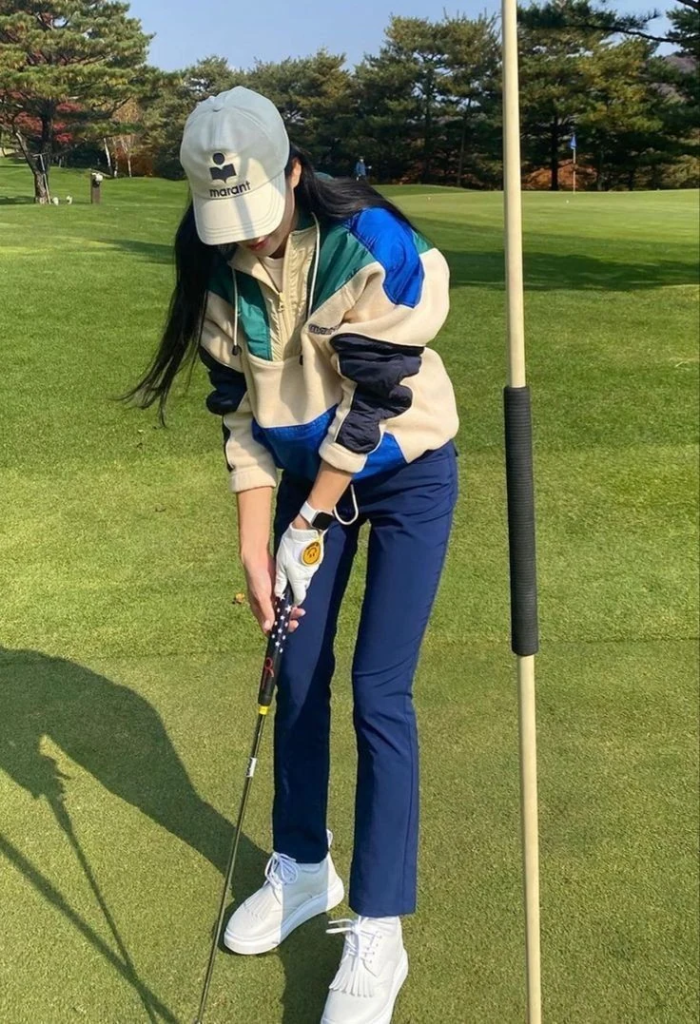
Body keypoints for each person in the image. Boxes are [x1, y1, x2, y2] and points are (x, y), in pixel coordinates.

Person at [129, 87, 459, 1024]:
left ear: (295, 175)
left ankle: (380, 930)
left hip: (402, 479)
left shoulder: (375, 246)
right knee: (297, 675)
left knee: (376, 690)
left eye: (262, 218)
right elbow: (240, 417)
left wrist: (306, 521)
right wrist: (252, 542)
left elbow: (378, 400)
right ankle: (306, 867)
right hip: (311, 494)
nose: (251, 239)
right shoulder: (215, 276)